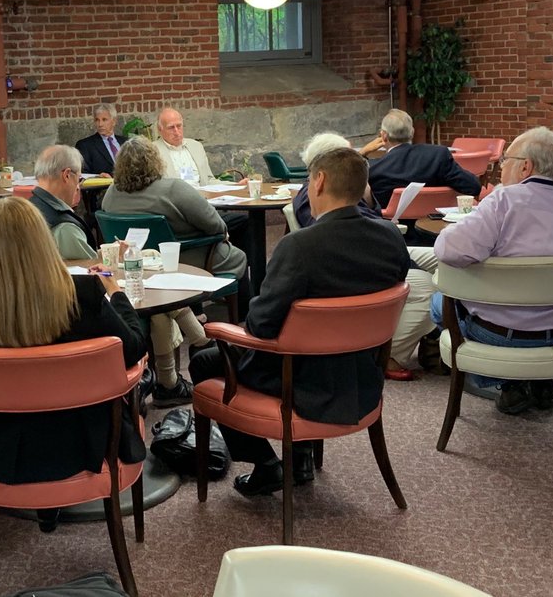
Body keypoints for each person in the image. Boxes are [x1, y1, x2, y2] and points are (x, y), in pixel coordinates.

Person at [189, 147, 410, 497]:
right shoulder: (391, 237)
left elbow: (260, 325)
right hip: (362, 374)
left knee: (204, 361)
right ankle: (302, 458)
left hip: (300, 380)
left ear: (318, 181)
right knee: (306, 342)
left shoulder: (299, 247)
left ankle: (266, 464)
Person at [0, 198, 147, 497]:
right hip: (85, 444)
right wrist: (115, 291)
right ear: (44, 240)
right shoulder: (82, 295)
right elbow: (133, 349)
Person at [429, 126, 553, 415]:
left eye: (505, 160)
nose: (500, 168)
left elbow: (448, 250)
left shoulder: (502, 202)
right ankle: (539, 380)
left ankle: (510, 383)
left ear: (525, 167)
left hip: (498, 335)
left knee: (438, 302)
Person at [291, 131, 436, 380]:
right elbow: (342, 235)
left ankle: (437, 335)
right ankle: (390, 353)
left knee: (444, 257)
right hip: (364, 258)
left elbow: (367, 222)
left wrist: (367, 197)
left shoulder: (341, 191)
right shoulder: (312, 197)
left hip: (379, 246)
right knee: (428, 286)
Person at [101, 137, 228, 402]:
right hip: (188, 259)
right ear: (156, 161)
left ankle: (171, 381)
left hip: (135, 269)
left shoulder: (110, 194)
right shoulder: (173, 189)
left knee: (160, 309)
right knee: (236, 254)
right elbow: (215, 225)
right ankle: (210, 336)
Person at [152, 106, 252, 260]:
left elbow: (209, 180)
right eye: (171, 128)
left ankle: (240, 264)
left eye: (179, 126)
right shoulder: (153, 151)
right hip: (180, 210)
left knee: (244, 221)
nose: (177, 132)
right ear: (160, 130)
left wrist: (235, 186)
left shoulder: (195, 146)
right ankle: (225, 261)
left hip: (206, 203)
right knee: (236, 222)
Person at [362, 109, 480, 209]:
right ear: (412, 132)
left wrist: (361, 153)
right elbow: (473, 187)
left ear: (383, 136)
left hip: (390, 227)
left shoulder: (372, 169)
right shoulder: (437, 156)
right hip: (433, 224)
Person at [30, 144, 96, 261]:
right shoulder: (64, 227)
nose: (78, 187)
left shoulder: (28, 207)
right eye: (79, 179)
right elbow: (93, 266)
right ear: (66, 175)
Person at [74, 104, 128, 177]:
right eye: (97, 120)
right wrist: (98, 177)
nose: (100, 124)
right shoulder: (85, 145)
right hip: (104, 184)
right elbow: (82, 174)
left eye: (104, 119)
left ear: (114, 121)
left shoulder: (126, 142)